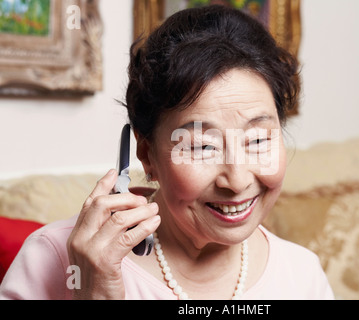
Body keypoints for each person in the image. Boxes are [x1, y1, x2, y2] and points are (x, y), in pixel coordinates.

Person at [0, 5, 334, 300]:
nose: (237, 179)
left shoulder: (302, 276)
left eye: (259, 141)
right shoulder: (54, 258)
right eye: (202, 147)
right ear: (146, 155)